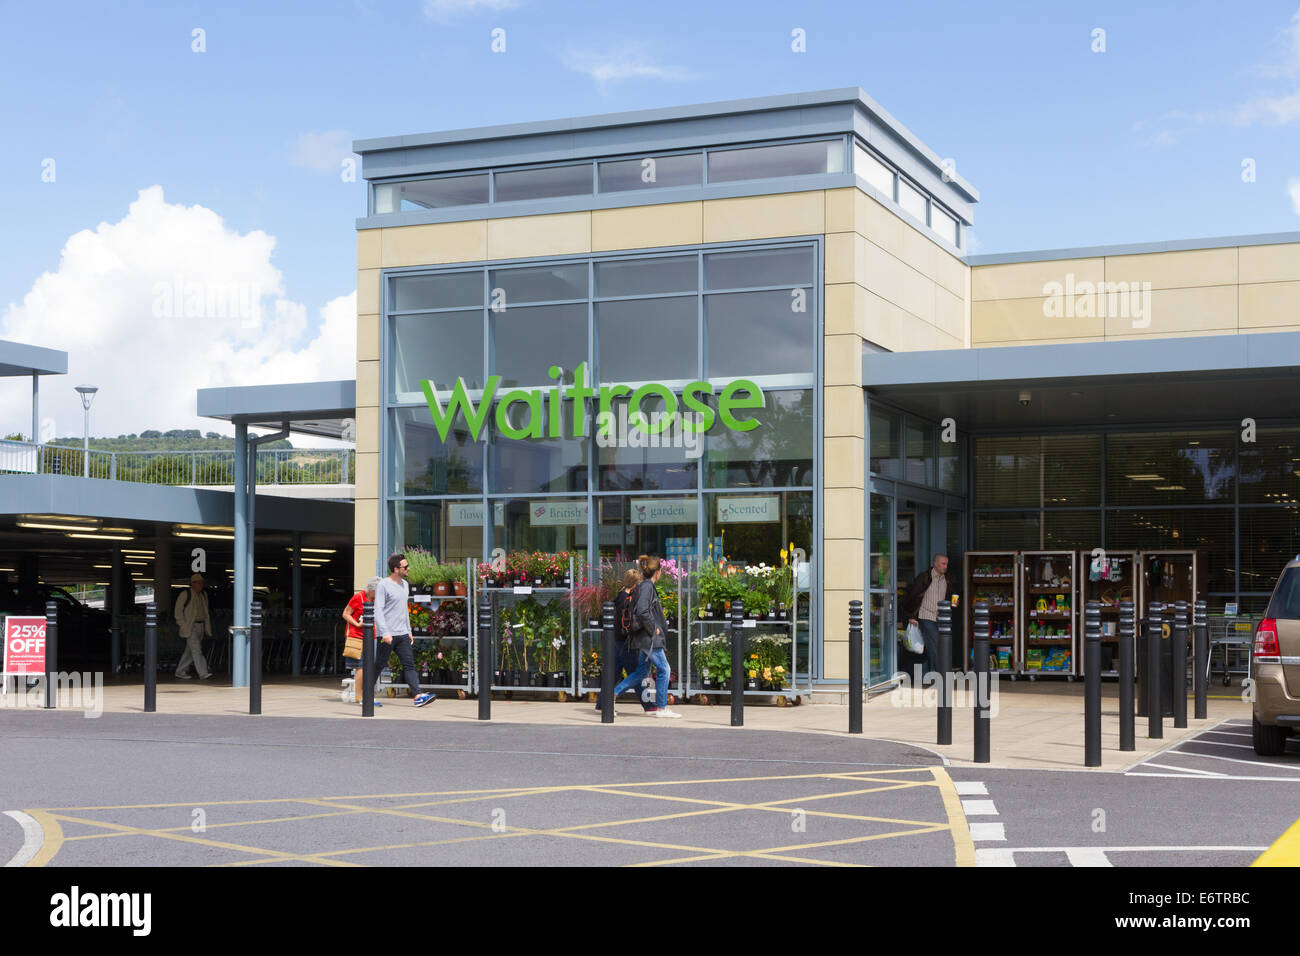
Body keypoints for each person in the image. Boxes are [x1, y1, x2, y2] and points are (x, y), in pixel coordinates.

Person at [610, 555, 680, 718]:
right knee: (664, 669)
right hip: (649, 638)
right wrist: (653, 627)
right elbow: (642, 610)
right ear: (658, 572)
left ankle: (612, 694)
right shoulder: (647, 586)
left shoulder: (644, 586)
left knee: (641, 672)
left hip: (643, 638)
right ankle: (662, 708)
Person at [373, 554, 435, 707]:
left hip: (402, 633)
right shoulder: (383, 585)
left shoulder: (405, 585)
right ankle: (365, 695)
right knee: (379, 665)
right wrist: (385, 632)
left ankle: (417, 696)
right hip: (387, 635)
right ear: (395, 569)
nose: (409, 569)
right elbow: (378, 610)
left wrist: (409, 630)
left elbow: (404, 610)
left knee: (409, 665)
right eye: (405, 567)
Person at [595, 569, 654, 713]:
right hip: (626, 641)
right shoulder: (629, 599)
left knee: (614, 673)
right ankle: (648, 705)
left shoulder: (620, 596)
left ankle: (601, 704)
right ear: (635, 584)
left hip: (616, 639)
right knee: (636, 673)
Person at [902, 553, 953, 678]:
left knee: (932, 646)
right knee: (937, 642)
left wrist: (952, 604)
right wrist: (911, 615)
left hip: (940, 618)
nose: (945, 566)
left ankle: (933, 673)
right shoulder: (924, 577)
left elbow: (950, 597)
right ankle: (939, 673)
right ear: (935, 564)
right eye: (943, 564)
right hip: (926, 616)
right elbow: (912, 596)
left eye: (947, 564)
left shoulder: (947, 579)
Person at [341, 577, 382, 706]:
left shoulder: (378, 600)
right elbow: (346, 613)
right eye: (377, 592)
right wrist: (357, 624)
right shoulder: (358, 597)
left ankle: (367, 694)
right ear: (370, 590)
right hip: (357, 636)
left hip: (372, 635)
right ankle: (359, 696)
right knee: (360, 666)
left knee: (371, 665)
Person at [174, 573, 215, 680]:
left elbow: (206, 612)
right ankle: (203, 672)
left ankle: (180, 671)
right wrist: (183, 625)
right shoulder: (185, 594)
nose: (201, 585)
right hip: (190, 626)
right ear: (193, 583)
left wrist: (206, 627)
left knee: (190, 651)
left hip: (200, 626)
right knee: (196, 650)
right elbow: (178, 612)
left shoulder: (203, 595)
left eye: (202, 583)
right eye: (199, 583)